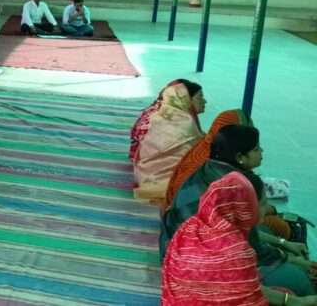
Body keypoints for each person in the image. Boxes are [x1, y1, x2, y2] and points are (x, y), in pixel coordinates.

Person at [162, 125, 316, 297]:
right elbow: (251, 248)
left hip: (177, 250)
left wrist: (283, 244)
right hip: (195, 268)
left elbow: (245, 234)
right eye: (256, 149)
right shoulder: (235, 190)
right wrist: (290, 259)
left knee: (267, 231)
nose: (262, 151)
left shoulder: (210, 168)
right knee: (296, 278)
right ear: (240, 157)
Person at [162, 172, 317, 306]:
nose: (267, 208)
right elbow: (249, 295)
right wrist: (299, 301)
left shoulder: (192, 226)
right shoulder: (235, 249)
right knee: (295, 281)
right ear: (245, 207)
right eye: (263, 203)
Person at [132, 80, 205, 204]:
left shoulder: (160, 116)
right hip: (160, 179)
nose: (204, 101)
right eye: (200, 97)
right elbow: (197, 157)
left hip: (144, 173)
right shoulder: (185, 124)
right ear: (186, 100)